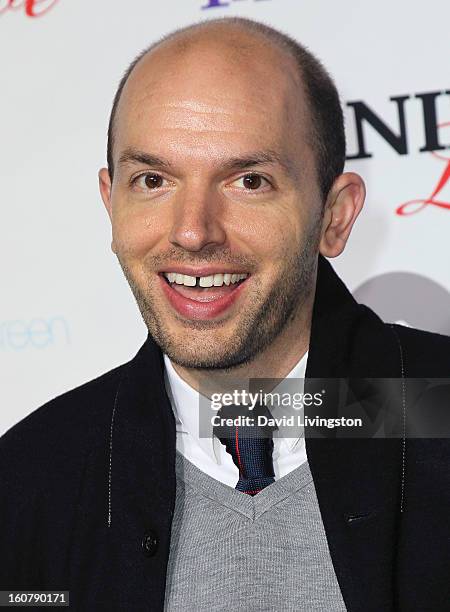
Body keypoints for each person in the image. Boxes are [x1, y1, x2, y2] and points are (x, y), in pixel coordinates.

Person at [1, 16, 449, 612]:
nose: (192, 232)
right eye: (152, 179)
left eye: (249, 180)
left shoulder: (437, 407)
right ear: (111, 204)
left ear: (335, 216)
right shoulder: (31, 477)